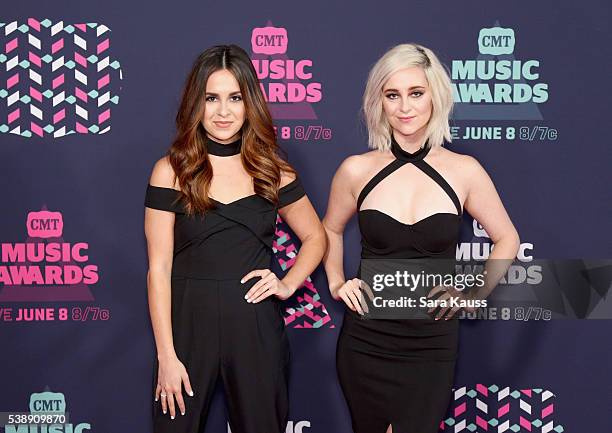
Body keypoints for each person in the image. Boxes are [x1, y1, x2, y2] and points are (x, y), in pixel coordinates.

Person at [322, 43, 520, 433]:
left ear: (436, 96)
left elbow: (507, 239)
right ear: (379, 102)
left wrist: (474, 294)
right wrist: (336, 281)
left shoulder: (464, 171)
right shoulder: (356, 169)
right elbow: (329, 228)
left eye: (416, 93)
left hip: (431, 341)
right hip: (366, 340)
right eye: (392, 95)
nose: (404, 107)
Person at [144, 44, 326, 433]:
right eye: (212, 98)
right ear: (196, 102)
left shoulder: (272, 170)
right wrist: (166, 356)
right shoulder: (170, 171)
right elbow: (159, 268)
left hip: (256, 328)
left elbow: (316, 236)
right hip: (187, 328)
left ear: (250, 104)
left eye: (235, 98)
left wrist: (287, 282)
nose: (223, 111)